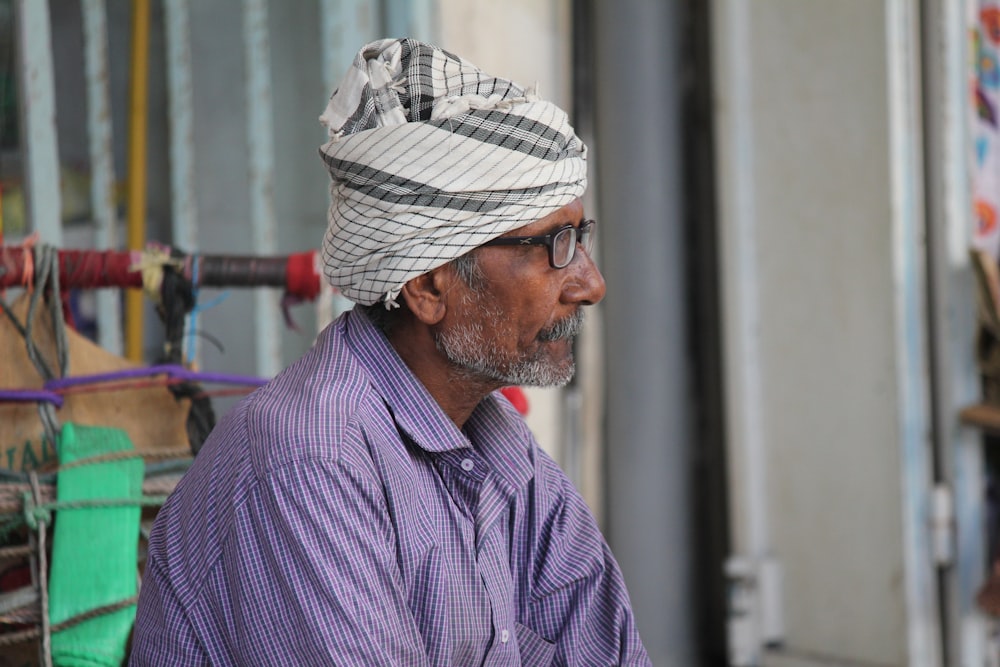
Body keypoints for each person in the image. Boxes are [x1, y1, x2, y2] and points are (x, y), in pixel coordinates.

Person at [130, 37, 650, 666]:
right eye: (554, 245)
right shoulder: (310, 461)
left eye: (581, 237)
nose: (590, 284)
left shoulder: (501, 448)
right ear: (429, 285)